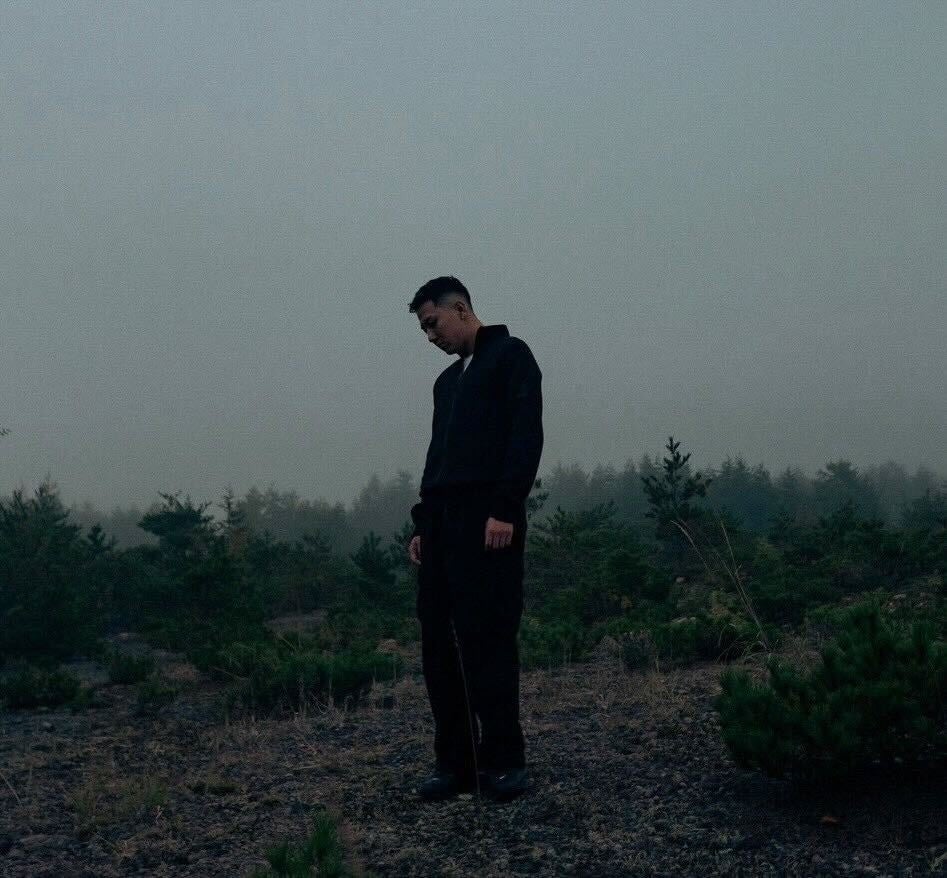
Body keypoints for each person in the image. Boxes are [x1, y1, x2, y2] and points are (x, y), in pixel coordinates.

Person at [406, 275, 543, 802]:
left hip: (489, 524)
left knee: (488, 639)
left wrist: (505, 509)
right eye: (423, 329)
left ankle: (505, 761)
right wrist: (423, 523)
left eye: (433, 323)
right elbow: (436, 457)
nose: (430, 336)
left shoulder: (511, 356)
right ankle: (455, 765)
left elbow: (525, 435)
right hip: (442, 527)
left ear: (461, 308)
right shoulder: (446, 383)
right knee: (438, 645)